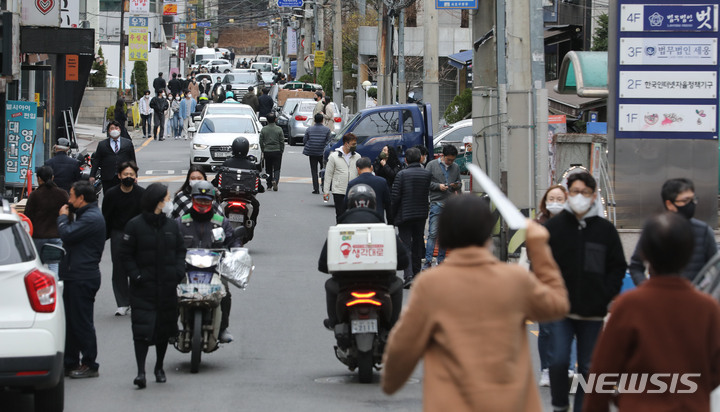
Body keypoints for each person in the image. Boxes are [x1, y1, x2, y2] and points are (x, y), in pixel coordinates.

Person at [381, 195, 569, 410]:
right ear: (487, 231)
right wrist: (540, 248)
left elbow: (405, 345)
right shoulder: (515, 280)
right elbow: (558, 305)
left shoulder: (431, 285)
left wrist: (390, 381)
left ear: (444, 232)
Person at [584, 212, 720, 411]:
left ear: (645, 254)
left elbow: (603, 369)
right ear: (689, 253)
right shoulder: (707, 308)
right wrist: (695, 391)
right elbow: (716, 368)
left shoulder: (629, 305)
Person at [544, 171, 627, 412]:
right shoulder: (554, 227)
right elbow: (542, 264)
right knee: (558, 362)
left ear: (593, 197)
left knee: (589, 368)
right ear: (568, 194)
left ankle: (583, 408)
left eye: (585, 193)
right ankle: (560, 405)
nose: (580, 197)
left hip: (593, 311)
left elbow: (617, 266)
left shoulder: (605, 230)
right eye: (575, 192)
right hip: (560, 308)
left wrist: (606, 294)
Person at [121, 183, 185, 389]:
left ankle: (159, 367)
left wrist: (177, 272)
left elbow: (180, 251)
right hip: (143, 288)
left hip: (166, 288)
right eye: (166, 197)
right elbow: (126, 254)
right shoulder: (134, 225)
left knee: (163, 330)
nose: (169, 201)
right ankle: (141, 372)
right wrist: (136, 275)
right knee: (141, 330)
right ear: (158, 201)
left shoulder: (172, 226)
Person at [318, 184, 409, 329]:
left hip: (345, 284)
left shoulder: (339, 230)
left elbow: (323, 266)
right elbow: (404, 261)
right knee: (397, 284)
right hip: (382, 282)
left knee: (330, 285)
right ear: (373, 204)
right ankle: (394, 324)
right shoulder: (384, 229)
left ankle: (334, 322)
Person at [176, 181, 242, 344]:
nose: (203, 204)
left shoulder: (221, 222)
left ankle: (223, 328)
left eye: (206, 200)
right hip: (186, 270)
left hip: (214, 270)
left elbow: (233, 239)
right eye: (199, 200)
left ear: (212, 201)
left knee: (225, 292)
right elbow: (170, 243)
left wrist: (237, 252)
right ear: (192, 199)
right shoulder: (181, 222)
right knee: (172, 291)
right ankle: (171, 327)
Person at [58, 181, 106, 379]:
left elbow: (67, 234)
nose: (69, 200)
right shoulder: (85, 215)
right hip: (74, 275)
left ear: (81, 198)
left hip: (82, 276)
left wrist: (62, 218)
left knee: (82, 322)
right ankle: (70, 361)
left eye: (71, 196)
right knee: (70, 321)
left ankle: (89, 363)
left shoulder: (91, 218)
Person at [629, 178, 717, 285]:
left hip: (693, 296)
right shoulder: (655, 229)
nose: (691, 204)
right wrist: (646, 289)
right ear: (670, 204)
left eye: (693, 199)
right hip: (660, 296)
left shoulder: (703, 231)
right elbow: (636, 266)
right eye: (685, 201)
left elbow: (716, 267)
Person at [534, 184, 570, 387]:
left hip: (569, 284)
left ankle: (566, 368)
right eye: (552, 199)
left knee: (566, 328)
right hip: (544, 283)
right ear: (545, 202)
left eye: (560, 199)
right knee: (546, 329)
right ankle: (546, 369)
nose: (555, 203)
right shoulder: (538, 225)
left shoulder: (574, 224)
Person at [101, 161, 145, 317]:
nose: (128, 177)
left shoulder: (142, 194)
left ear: (136, 177)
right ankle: (122, 303)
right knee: (119, 269)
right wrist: (103, 238)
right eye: (125, 174)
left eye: (131, 175)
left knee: (137, 267)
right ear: (119, 176)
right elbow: (106, 217)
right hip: (118, 234)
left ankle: (136, 301)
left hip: (138, 235)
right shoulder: (111, 194)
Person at [390, 147, 431, 288]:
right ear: (420, 158)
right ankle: (417, 274)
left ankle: (408, 276)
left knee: (406, 244)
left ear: (406, 160)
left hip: (405, 214)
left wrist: (392, 216)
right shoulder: (426, 174)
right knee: (418, 244)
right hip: (421, 214)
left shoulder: (401, 174)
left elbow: (395, 197)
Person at [211, 137, 262, 241]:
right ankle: (250, 225)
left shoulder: (227, 163)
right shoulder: (251, 165)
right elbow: (258, 185)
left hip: (226, 197)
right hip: (246, 198)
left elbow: (216, 181)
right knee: (256, 205)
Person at [23, 165, 69, 275]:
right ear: (52, 177)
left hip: (38, 236)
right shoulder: (62, 194)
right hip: (56, 236)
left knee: (37, 266)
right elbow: (69, 214)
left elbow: (27, 217)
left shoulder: (35, 195)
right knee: (54, 265)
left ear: (39, 179)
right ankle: (56, 288)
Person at [423, 144, 461, 270]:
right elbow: (426, 182)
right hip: (436, 202)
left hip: (450, 203)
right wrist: (438, 186)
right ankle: (428, 261)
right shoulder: (431, 165)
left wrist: (456, 186)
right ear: (442, 156)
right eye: (448, 159)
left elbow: (459, 182)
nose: (450, 162)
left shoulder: (455, 167)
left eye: (452, 160)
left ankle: (441, 260)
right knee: (433, 233)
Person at [90, 120, 137, 194]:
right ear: (108, 131)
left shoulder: (127, 143)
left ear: (120, 130)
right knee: (109, 198)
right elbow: (97, 160)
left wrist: (135, 175)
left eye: (116, 128)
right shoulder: (102, 144)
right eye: (112, 128)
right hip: (108, 177)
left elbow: (132, 160)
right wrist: (92, 175)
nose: (114, 130)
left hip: (124, 176)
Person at [323, 133, 361, 222]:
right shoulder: (334, 156)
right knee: (340, 215)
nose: (355, 146)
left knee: (352, 215)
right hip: (339, 191)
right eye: (353, 144)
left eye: (355, 144)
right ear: (346, 143)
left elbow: (360, 174)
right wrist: (326, 191)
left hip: (353, 191)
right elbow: (328, 174)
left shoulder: (357, 156)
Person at [346, 157, 391, 223]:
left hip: (357, 221)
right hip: (377, 220)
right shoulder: (382, 182)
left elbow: (345, 205)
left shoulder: (352, 184)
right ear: (371, 168)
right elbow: (388, 204)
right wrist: (390, 222)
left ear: (357, 169)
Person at [303, 113, 332, 194]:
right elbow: (328, 141)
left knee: (314, 170)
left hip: (312, 152)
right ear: (322, 120)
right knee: (324, 170)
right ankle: (324, 186)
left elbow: (305, 140)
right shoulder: (327, 130)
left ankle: (316, 189)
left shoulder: (309, 129)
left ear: (314, 120)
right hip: (322, 152)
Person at [259, 113, 285, 191]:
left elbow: (261, 141)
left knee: (268, 168)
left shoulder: (264, 129)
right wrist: (281, 150)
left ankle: (269, 184)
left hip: (267, 150)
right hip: (277, 150)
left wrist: (263, 149)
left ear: (267, 120)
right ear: (275, 119)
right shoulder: (279, 129)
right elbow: (282, 141)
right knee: (277, 168)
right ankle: (275, 180)